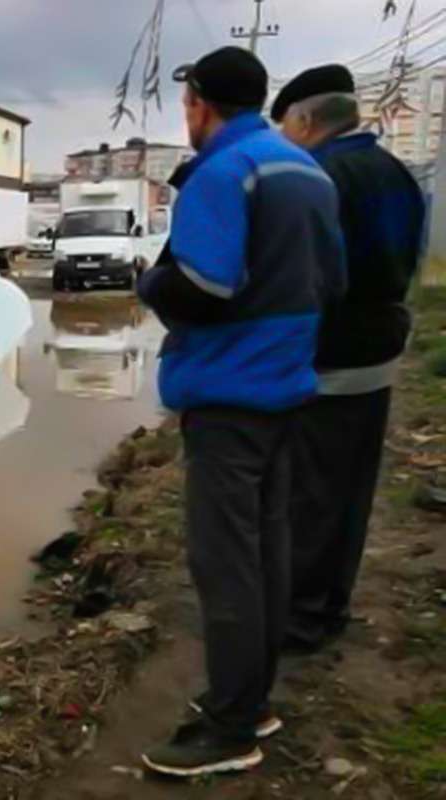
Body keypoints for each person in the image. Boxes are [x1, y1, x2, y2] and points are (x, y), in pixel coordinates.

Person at [136, 47, 346, 777]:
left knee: (225, 564)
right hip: (287, 388)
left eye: (186, 103)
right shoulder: (306, 169)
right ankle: (251, 701)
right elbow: (334, 281)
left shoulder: (223, 172)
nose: (186, 116)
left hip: (229, 395)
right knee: (265, 553)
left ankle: (229, 729)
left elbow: (202, 287)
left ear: (199, 104)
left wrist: (150, 282)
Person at [272, 65, 425, 653]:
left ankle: (301, 619)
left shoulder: (320, 177)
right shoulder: (395, 171)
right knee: (350, 488)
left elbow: (307, 278)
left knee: (310, 492)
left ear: (305, 120)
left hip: (330, 355)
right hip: (378, 348)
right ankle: (330, 603)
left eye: (285, 125)